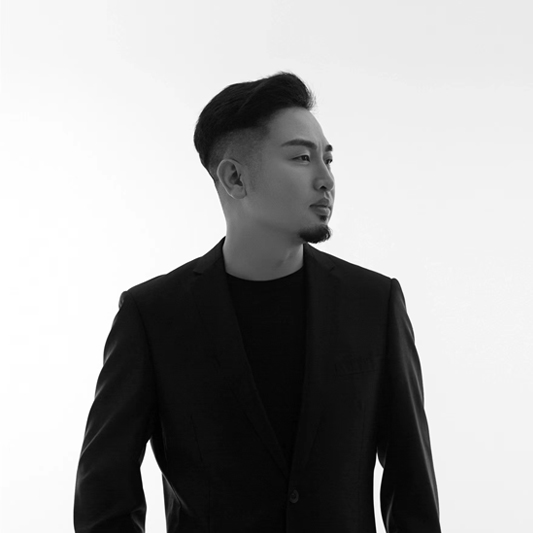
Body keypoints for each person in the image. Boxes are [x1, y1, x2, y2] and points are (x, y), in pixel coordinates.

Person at [74, 72, 441, 532]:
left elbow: (412, 489)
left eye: (328, 159)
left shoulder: (373, 303)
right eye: (302, 157)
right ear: (234, 177)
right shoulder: (153, 316)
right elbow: (104, 497)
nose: (326, 179)